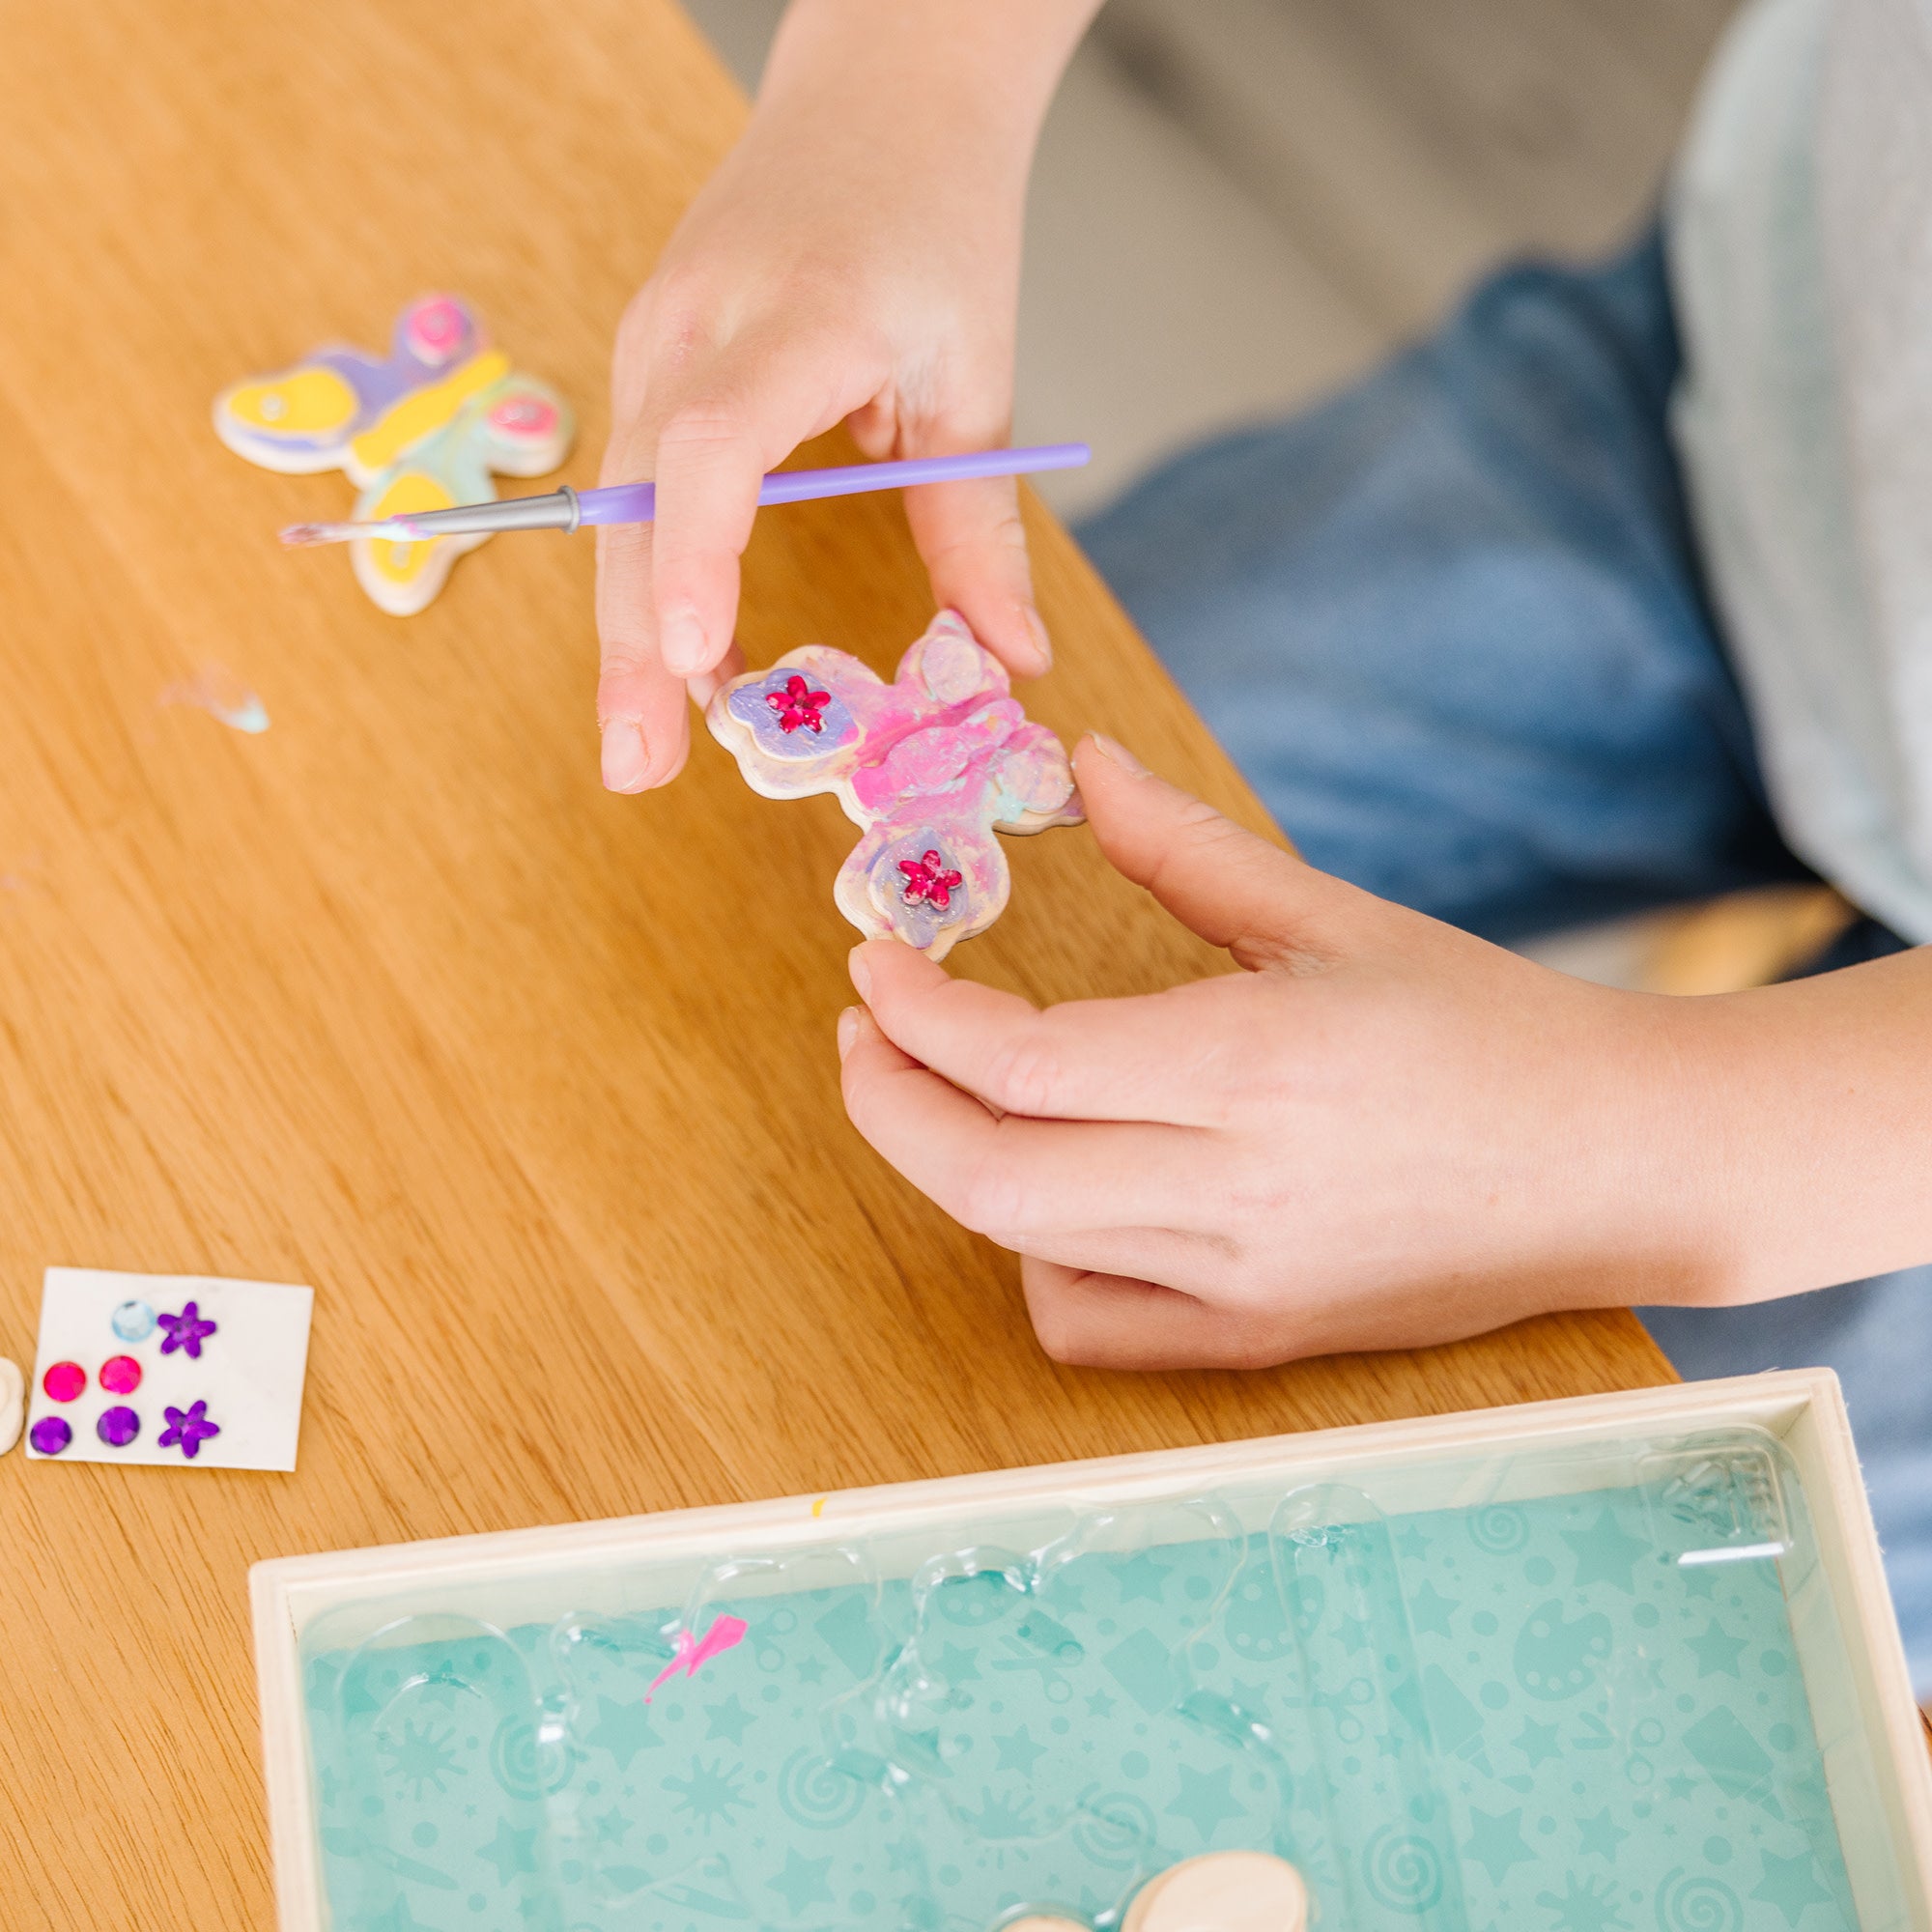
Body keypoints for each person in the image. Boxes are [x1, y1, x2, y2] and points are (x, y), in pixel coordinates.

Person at [591, 0, 1932, 1683]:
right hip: (1782, 399)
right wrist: (899, 87)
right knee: (746, 1000)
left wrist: (1623, 1145)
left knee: (1527, 1618)